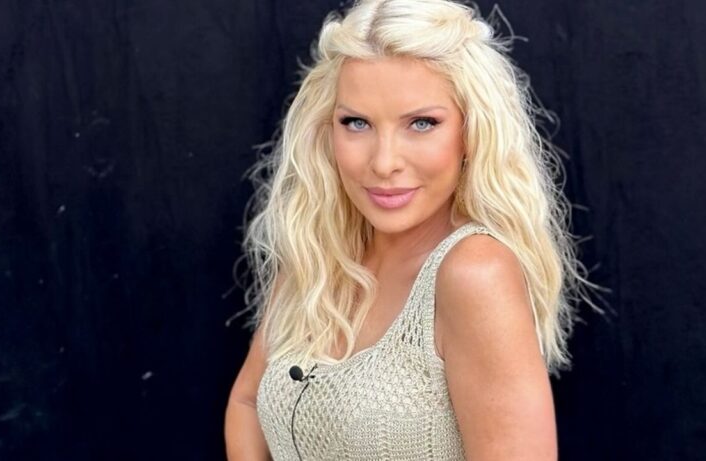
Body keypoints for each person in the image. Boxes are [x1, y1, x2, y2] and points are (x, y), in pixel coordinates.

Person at [225, 0, 603, 459]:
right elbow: (248, 400)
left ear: (472, 132)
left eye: (422, 123)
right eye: (357, 123)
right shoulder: (320, 257)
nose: (384, 162)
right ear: (327, 129)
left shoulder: (474, 273)